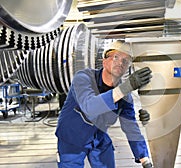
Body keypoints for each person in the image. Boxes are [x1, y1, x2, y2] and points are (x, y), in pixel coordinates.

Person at [55, 40, 153, 168]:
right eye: (116, 57)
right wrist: (126, 87)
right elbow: (89, 107)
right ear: (104, 61)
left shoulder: (124, 96)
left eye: (125, 61)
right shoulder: (83, 78)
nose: (120, 63)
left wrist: (145, 159)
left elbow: (131, 127)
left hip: (98, 136)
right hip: (72, 136)